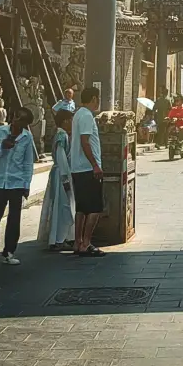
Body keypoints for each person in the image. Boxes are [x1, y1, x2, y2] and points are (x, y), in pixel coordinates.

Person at [0, 107, 36, 265]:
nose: (16, 120)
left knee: (14, 219)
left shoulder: (27, 138)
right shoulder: (0, 132)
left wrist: (26, 184)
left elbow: (28, 163)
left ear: (26, 123)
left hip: (16, 182)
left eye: (21, 119)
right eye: (16, 116)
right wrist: (1, 147)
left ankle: (9, 252)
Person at [70, 87, 106, 257]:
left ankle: (78, 242)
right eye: (97, 98)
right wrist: (95, 165)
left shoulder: (78, 114)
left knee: (82, 208)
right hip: (86, 168)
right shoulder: (86, 115)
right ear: (93, 98)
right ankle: (86, 242)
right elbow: (85, 142)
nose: (98, 102)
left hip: (78, 167)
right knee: (94, 208)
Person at [37, 109, 76, 251]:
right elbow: (61, 158)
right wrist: (65, 178)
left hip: (60, 173)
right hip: (62, 174)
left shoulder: (62, 134)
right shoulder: (62, 135)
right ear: (66, 121)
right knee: (63, 206)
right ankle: (60, 239)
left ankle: (64, 237)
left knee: (63, 205)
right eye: (71, 121)